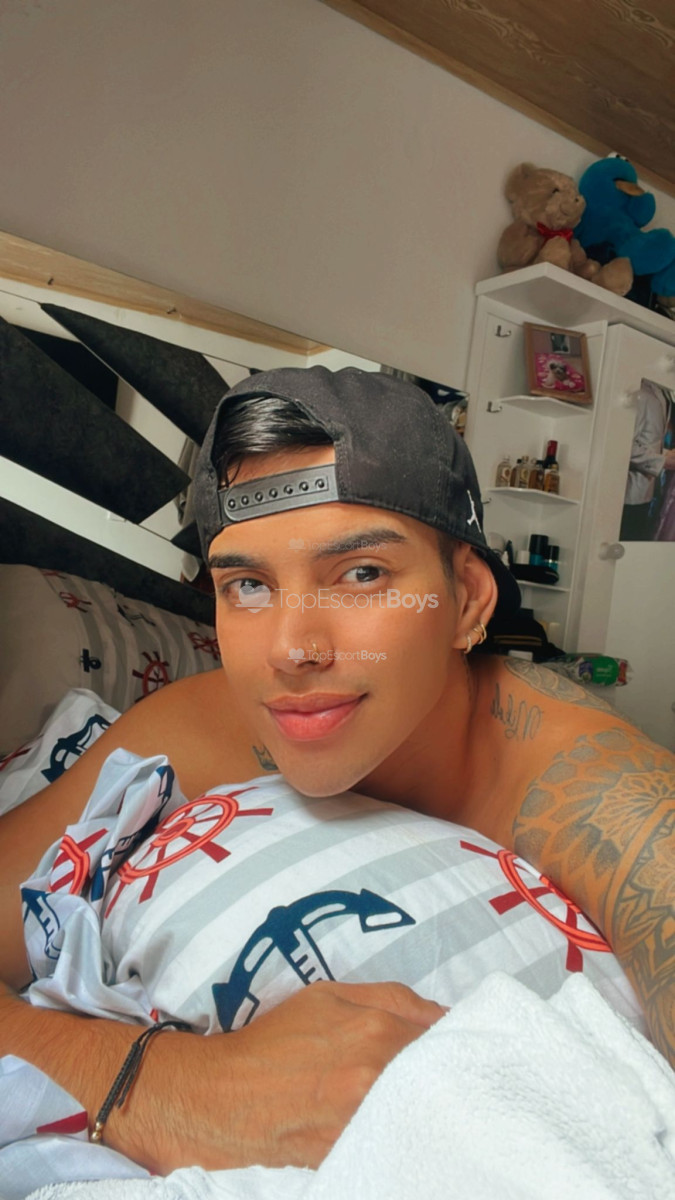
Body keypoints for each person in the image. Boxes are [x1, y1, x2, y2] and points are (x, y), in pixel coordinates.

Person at [0, 366, 673, 1177]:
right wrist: (160, 1081)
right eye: (248, 586)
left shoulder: (607, 805)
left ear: (466, 599)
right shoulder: (202, 726)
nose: (291, 649)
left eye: (360, 575)